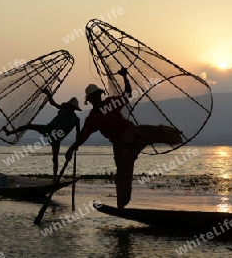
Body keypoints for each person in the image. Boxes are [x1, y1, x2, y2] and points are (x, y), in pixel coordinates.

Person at [65, 68, 182, 209]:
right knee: (122, 175)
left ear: (99, 95)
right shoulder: (92, 118)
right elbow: (83, 136)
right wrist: (71, 149)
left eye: (96, 95)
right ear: (89, 100)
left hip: (133, 132)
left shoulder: (110, 103)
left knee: (157, 131)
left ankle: (177, 136)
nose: (95, 99)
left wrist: (125, 77)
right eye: (92, 98)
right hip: (121, 145)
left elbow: (127, 95)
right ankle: (121, 205)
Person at [3, 89, 81, 178]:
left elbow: (78, 133)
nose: (71, 109)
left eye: (73, 108)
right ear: (68, 106)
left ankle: (55, 177)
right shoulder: (63, 109)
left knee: (55, 158)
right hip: (48, 129)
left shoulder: (76, 120)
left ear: (75, 109)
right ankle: (10, 132)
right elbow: (53, 103)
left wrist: (76, 144)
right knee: (28, 126)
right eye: (70, 106)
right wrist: (48, 93)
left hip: (56, 138)